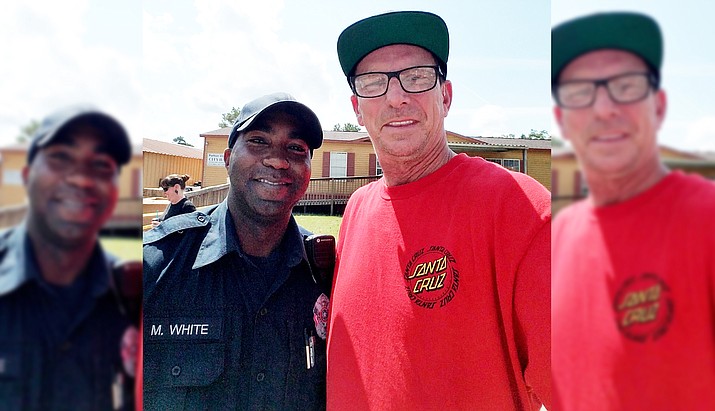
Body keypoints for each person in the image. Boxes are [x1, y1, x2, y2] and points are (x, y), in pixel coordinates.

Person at [327, 11, 551, 410]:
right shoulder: (357, 210)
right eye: (374, 83)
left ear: (445, 96)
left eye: (416, 77)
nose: (396, 97)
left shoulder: (522, 210)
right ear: (357, 108)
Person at [551, 12, 715, 410]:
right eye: (579, 91)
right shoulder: (557, 236)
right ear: (561, 119)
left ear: (658, 106)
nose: (605, 108)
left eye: (626, 86)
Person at [142, 92, 329, 410]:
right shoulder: (156, 264)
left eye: (296, 148)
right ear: (228, 159)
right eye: (258, 141)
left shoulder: (325, 272)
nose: (278, 160)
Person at [0, 105, 139, 410]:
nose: (81, 180)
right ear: (26, 176)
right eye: (61, 158)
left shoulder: (135, 294)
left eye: (102, 165)